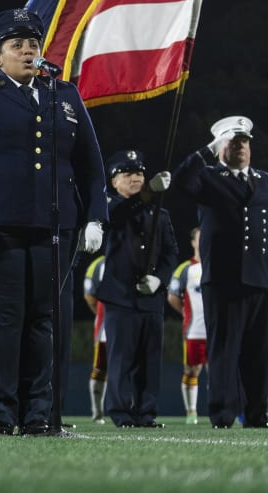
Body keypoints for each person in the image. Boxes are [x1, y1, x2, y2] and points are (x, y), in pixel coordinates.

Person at [0, 8, 107, 436]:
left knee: (42, 320)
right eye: (18, 45)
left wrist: (94, 217)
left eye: (33, 44)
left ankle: (38, 416)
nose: (29, 51)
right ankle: (0, 414)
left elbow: (90, 162)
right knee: (2, 319)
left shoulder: (62, 94)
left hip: (55, 227)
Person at [171, 114, 268, 428]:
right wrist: (207, 150)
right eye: (234, 142)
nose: (242, 147)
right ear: (222, 146)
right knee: (224, 350)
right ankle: (222, 414)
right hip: (222, 279)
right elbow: (180, 182)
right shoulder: (206, 177)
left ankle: (259, 414)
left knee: (257, 353)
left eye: (245, 141)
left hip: (259, 278)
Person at [95, 149, 177, 428]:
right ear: (114, 182)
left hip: (151, 298)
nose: (135, 178)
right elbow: (117, 216)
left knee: (150, 359)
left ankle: (146, 413)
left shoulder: (160, 214)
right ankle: (120, 412)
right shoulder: (109, 206)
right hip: (121, 296)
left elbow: (170, 254)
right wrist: (149, 193)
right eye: (127, 174)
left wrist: (160, 279)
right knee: (122, 357)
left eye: (140, 173)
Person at [167, 227, 207, 424]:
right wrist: (186, 313)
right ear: (193, 242)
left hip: (216, 330)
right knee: (192, 370)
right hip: (194, 329)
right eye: (200, 238)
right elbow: (172, 296)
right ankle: (191, 412)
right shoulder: (185, 269)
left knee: (218, 371)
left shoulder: (217, 265)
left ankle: (220, 409)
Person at [82, 252, 108, 423]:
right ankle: (97, 412)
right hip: (105, 326)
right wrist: (101, 314)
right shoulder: (97, 265)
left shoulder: (131, 259)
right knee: (100, 367)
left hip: (128, 325)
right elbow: (89, 295)